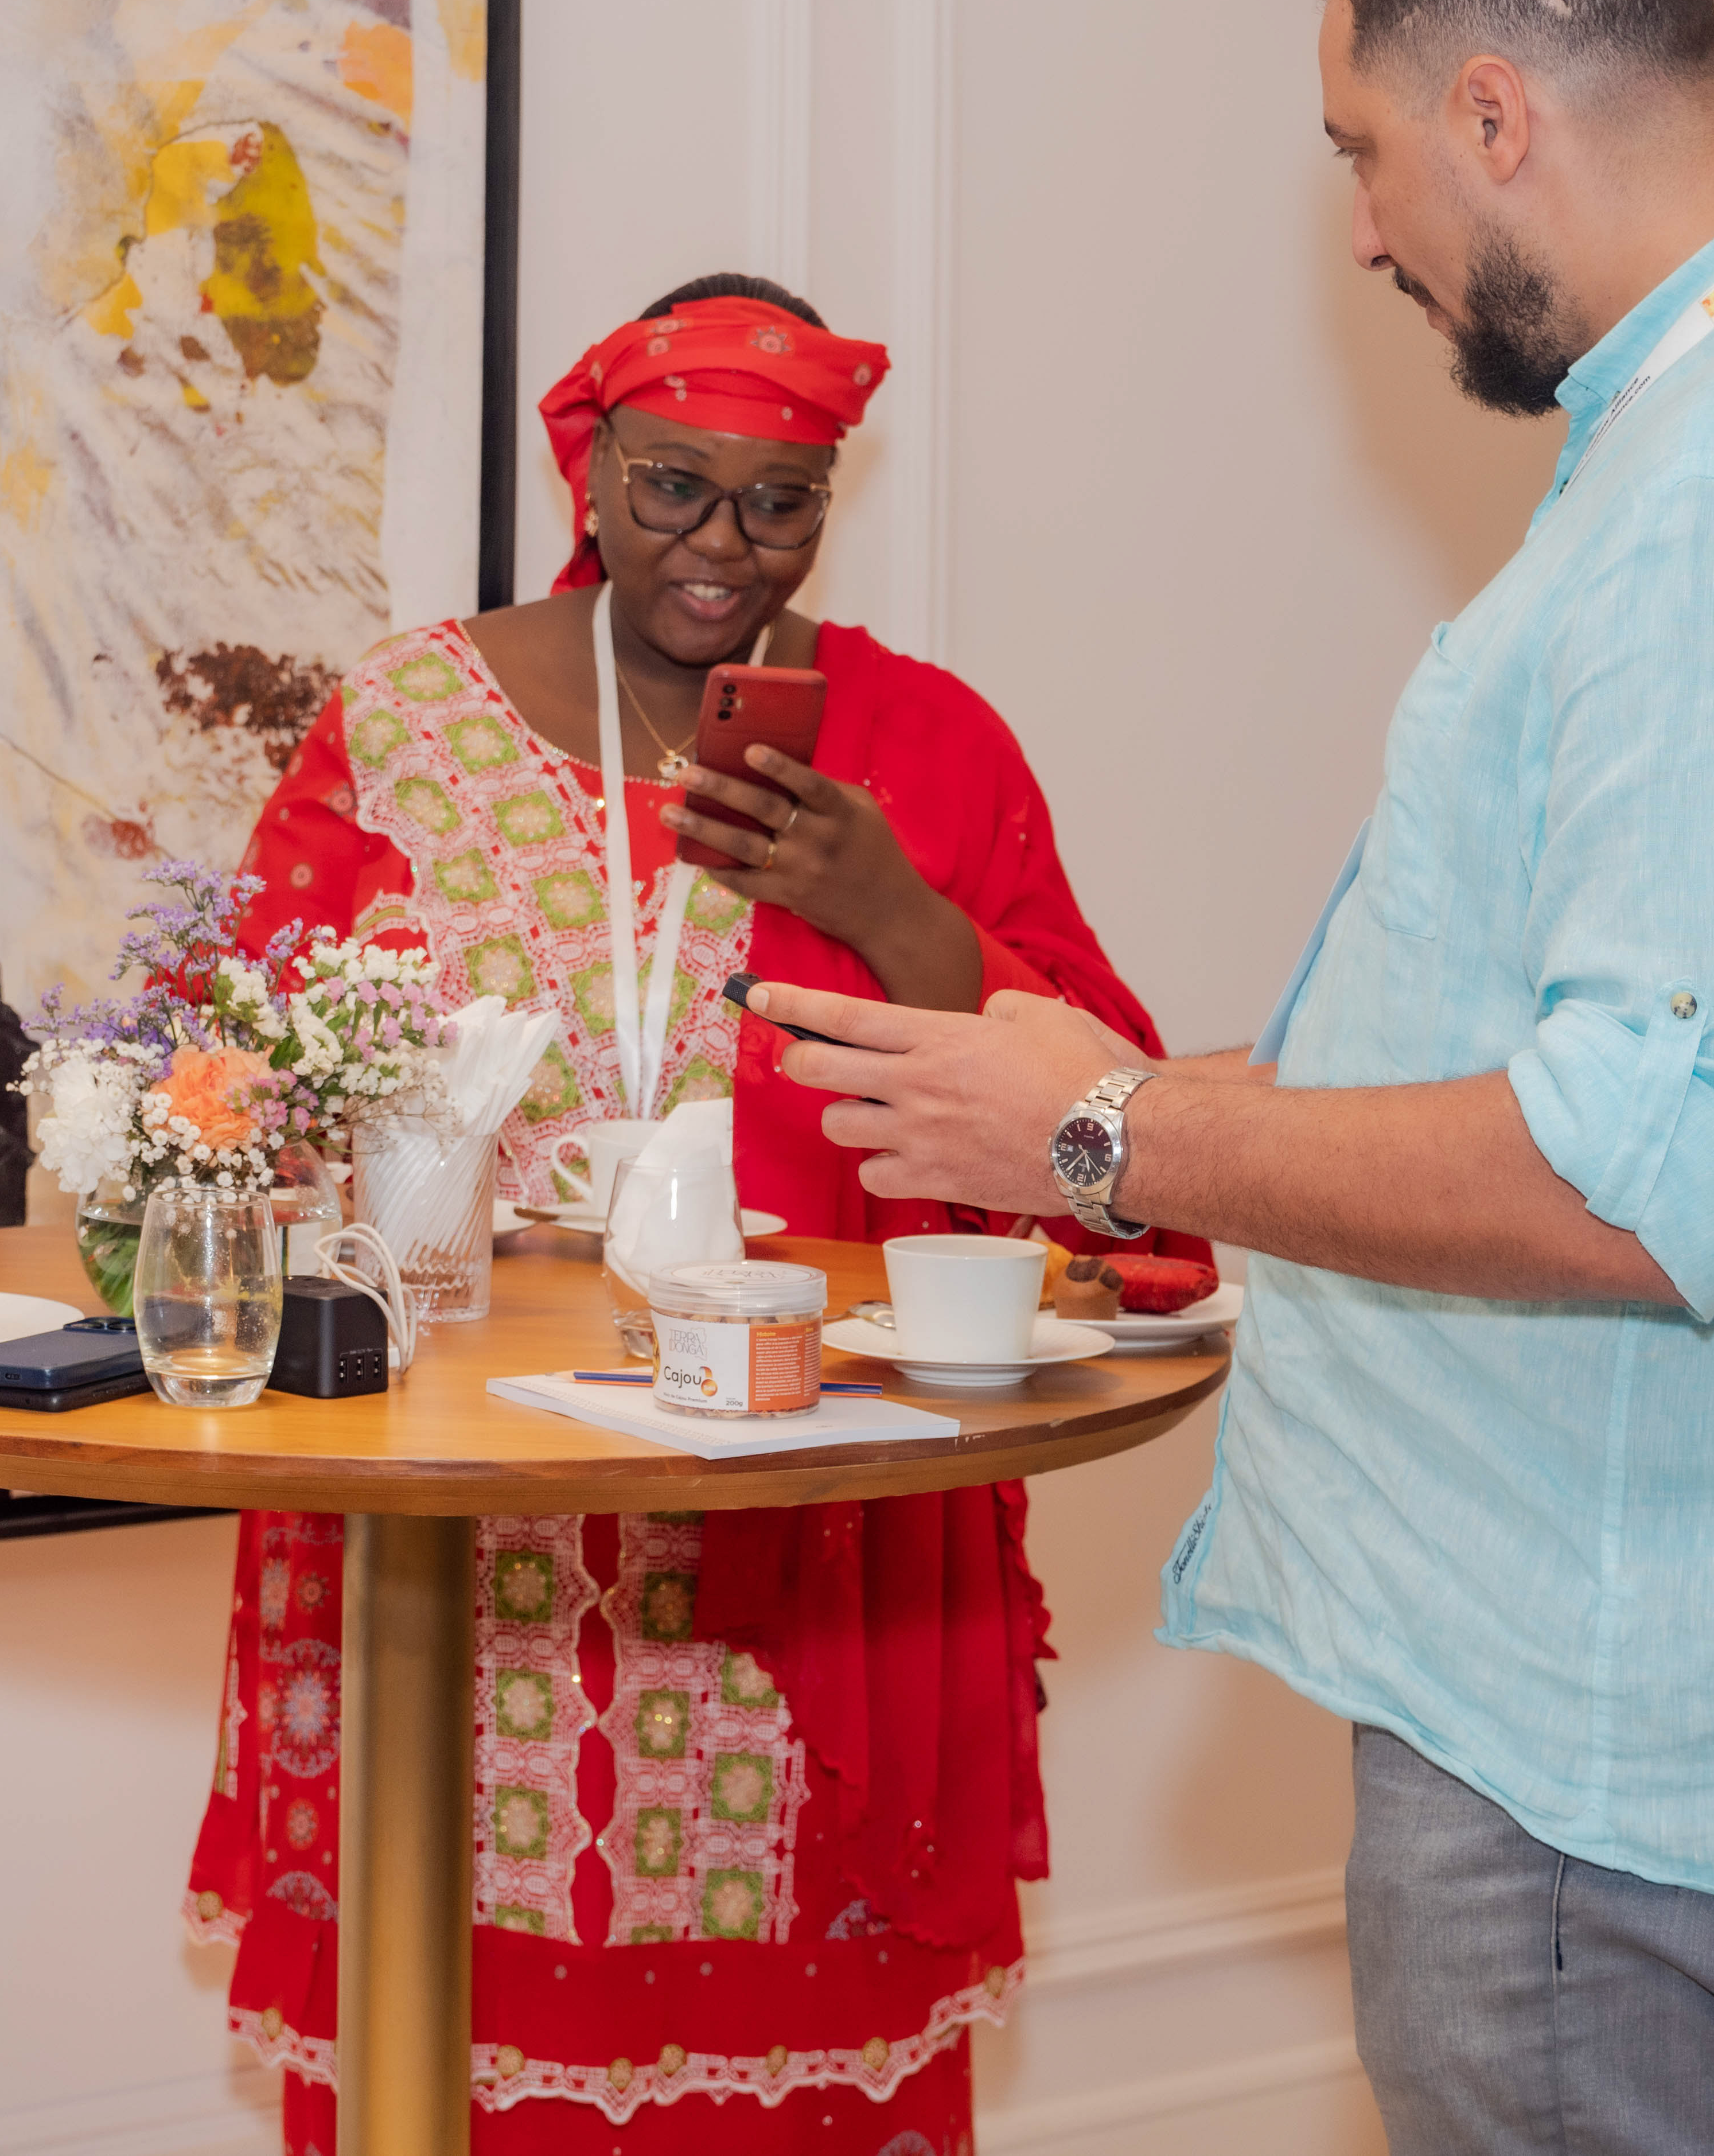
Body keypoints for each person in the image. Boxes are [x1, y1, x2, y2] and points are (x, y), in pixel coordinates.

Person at [759, 0, 1714, 2156]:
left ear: (1495, 114)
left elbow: (1632, 1175)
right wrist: (1095, 1088)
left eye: (1360, 154)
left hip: (1610, 1772)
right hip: (1670, 1737)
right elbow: (1591, 1041)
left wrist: (1111, 1135)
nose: (1366, 234)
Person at [184, 276, 1207, 2153]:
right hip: (457, 1551)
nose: (724, 547)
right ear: (591, 469)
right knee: (440, 2063)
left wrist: (891, 908)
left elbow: (1124, 1159)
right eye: (674, 488)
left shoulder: (924, 746)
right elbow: (239, 1086)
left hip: (807, 1536)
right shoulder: (406, 719)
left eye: (780, 501)